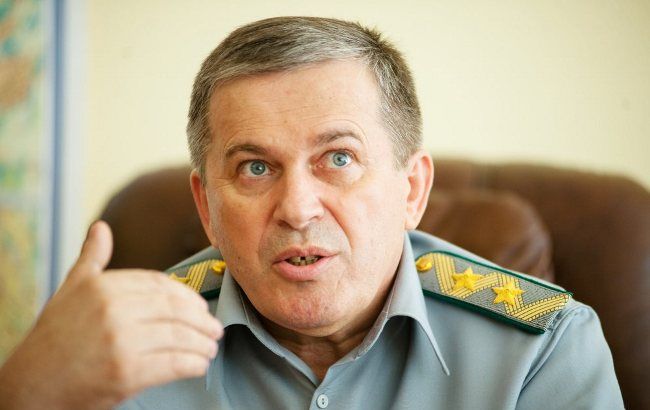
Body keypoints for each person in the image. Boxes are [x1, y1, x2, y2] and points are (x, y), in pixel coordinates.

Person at [0, 16, 623, 409]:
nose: (297, 209)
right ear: (206, 206)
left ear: (412, 190)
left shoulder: (541, 350)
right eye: (255, 168)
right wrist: (25, 392)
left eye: (339, 159)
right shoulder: (119, 353)